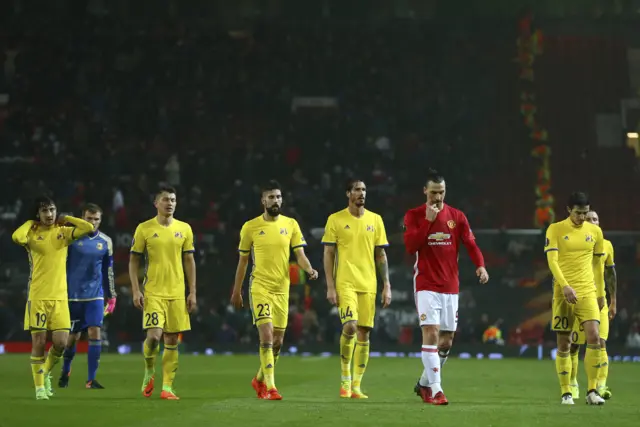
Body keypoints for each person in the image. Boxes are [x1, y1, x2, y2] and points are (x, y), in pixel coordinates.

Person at [403, 169, 488, 405]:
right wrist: (428, 222)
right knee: (430, 333)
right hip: (426, 284)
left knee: (446, 341)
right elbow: (411, 247)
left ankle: (423, 384)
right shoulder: (414, 215)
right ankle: (437, 390)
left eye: (441, 192)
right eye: (433, 193)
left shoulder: (457, 216)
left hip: (450, 285)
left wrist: (480, 265)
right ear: (425, 191)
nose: (438, 197)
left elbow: (471, 244)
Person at [231, 180, 318, 401]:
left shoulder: (291, 224)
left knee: (278, 341)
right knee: (267, 335)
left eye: (278, 197)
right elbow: (243, 262)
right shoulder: (250, 227)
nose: (275, 200)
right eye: (271, 197)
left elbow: (299, 255)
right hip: (260, 286)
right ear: (263, 200)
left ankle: (259, 378)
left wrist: (309, 269)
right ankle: (270, 387)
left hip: (282, 288)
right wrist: (237, 290)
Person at [12, 196, 94, 400]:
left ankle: (45, 372)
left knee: (61, 343)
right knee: (39, 342)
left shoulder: (63, 232)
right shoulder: (31, 233)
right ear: (38, 214)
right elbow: (17, 237)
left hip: (59, 297)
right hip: (38, 296)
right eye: (44, 211)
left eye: (52, 210)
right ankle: (40, 388)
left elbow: (88, 228)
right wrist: (30, 223)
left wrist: (68, 218)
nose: (49, 215)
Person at [322, 179, 392, 399]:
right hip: (346, 282)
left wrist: (386, 285)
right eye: (357, 190)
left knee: (364, 332)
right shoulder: (335, 219)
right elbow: (329, 253)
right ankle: (345, 378)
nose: (361, 193)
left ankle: (357, 386)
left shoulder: (376, 220)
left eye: (364, 190)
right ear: (348, 193)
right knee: (350, 326)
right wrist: (330, 286)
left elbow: (381, 255)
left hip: (368, 283)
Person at [129, 187, 197, 401]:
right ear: (156, 203)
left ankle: (167, 387)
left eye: (174, 200)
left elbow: (189, 260)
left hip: (177, 292)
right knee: (154, 336)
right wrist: (135, 289)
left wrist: (192, 291)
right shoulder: (144, 229)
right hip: (153, 292)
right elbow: (133, 261)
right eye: (166, 199)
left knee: (172, 339)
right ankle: (149, 369)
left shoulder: (185, 229)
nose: (170, 203)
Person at [545, 192, 606, 405]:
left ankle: (592, 391)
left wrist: (601, 293)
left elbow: (598, 266)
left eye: (585, 213)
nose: (582, 217)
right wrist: (565, 286)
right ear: (568, 210)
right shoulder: (556, 229)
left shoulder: (595, 232)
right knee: (565, 343)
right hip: (563, 293)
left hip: (587, 291)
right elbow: (552, 261)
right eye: (578, 213)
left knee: (594, 337)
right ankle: (566, 392)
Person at [58, 203, 116, 389]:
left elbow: (108, 270)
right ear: (82, 218)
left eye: (96, 219)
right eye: (89, 219)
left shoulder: (105, 241)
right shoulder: (71, 238)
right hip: (73, 295)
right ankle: (66, 371)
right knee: (72, 338)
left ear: (101, 220)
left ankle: (91, 379)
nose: (92, 222)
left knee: (94, 331)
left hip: (95, 296)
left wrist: (111, 295)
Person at [568, 209, 617, 400]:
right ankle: (572, 383)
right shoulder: (575, 244)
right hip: (578, 300)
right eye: (588, 219)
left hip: (600, 301)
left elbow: (611, 274)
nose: (593, 222)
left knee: (600, 342)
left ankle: (600, 386)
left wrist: (613, 301)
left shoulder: (607, 245)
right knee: (574, 345)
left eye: (595, 219)